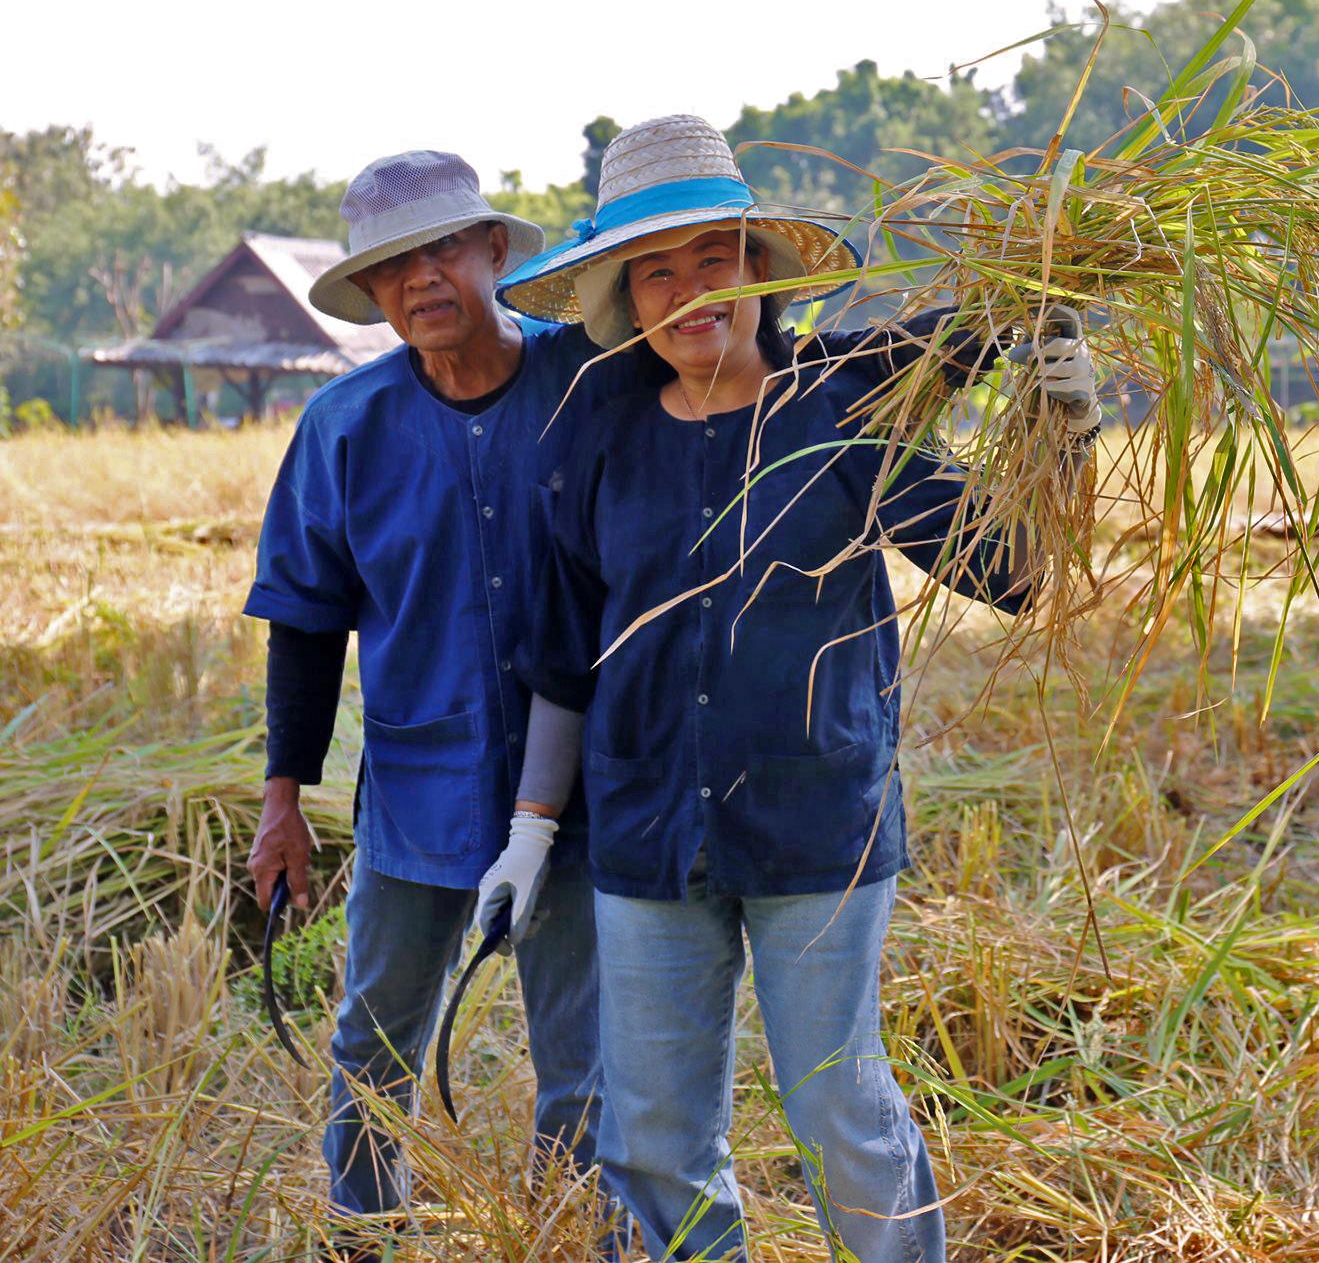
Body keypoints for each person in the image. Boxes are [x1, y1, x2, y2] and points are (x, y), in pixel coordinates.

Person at [242, 148, 996, 1243]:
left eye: (443, 248)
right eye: (392, 266)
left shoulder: (663, 387)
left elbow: (804, 383)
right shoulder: (398, 425)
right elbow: (333, 623)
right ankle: (369, 1234)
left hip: (707, 805)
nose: (421, 280)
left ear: (493, 249)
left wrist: (1005, 351)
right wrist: (299, 798)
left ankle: (591, 1238)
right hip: (496, 795)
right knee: (436, 1058)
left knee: (692, 1083)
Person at [497, 115, 1101, 1262]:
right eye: (656, 272)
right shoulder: (596, 438)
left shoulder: (839, 411)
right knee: (654, 1135)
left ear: (759, 271)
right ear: (628, 301)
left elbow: (1012, 573)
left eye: (712, 258)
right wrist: (531, 831)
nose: (690, 292)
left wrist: (1061, 437)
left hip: (817, 824)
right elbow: (564, 655)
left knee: (837, 1111)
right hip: (644, 831)